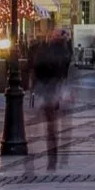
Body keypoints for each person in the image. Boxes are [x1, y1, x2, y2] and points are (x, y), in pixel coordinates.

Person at [31, 29, 73, 170]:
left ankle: (52, 157)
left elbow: (37, 68)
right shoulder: (65, 51)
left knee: (50, 126)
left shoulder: (46, 50)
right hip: (58, 89)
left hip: (48, 90)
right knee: (58, 126)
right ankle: (58, 156)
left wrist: (36, 86)